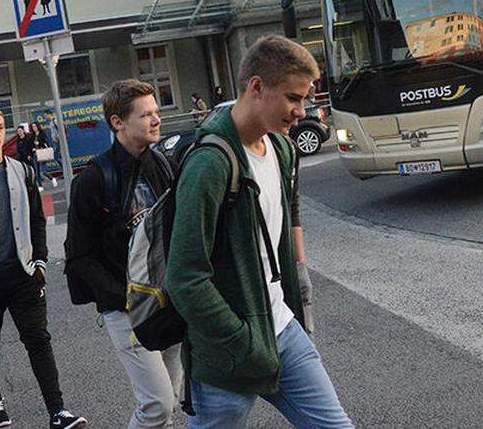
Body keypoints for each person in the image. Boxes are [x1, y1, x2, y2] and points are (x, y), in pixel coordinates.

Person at [165, 35, 351, 428]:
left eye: (304, 100)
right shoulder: (210, 164)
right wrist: (241, 342)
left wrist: (299, 283)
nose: (301, 112)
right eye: (293, 98)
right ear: (256, 87)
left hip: (281, 328)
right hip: (227, 356)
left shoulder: (282, 150)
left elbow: (288, 217)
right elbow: (184, 277)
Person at [0, 106, 87, 429]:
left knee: (38, 338)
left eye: (1, 127)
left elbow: (37, 219)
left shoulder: (23, 171)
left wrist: (39, 262)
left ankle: (58, 412)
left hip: (23, 272)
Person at [66, 80, 182, 428]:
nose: (156, 120)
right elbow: (79, 256)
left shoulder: (162, 163)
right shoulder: (93, 178)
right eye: (145, 114)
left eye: (157, 112)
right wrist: (124, 299)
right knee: (157, 405)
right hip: (127, 307)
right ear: (118, 122)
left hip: (169, 300)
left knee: (171, 402)